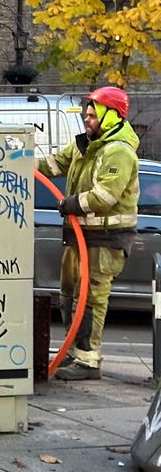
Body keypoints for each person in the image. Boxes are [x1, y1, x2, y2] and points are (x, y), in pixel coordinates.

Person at [38, 86, 140, 381]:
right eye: (87, 111)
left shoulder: (118, 152)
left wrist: (67, 204)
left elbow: (103, 198)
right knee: (69, 294)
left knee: (92, 297)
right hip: (78, 237)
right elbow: (52, 164)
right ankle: (74, 352)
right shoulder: (85, 145)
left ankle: (88, 361)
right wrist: (16, 161)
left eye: (94, 112)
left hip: (105, 240)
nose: (87, 116)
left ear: (112, 116)